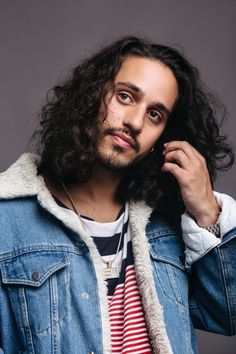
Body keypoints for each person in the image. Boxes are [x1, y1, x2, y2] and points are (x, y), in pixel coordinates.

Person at [0, 36, 235, 354]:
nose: (135, 122)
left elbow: (228, 313)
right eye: (125, 97)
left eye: (155, 115)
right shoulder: (8, 219)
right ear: (90, 96)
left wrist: (207, 211)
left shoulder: (168, 220)